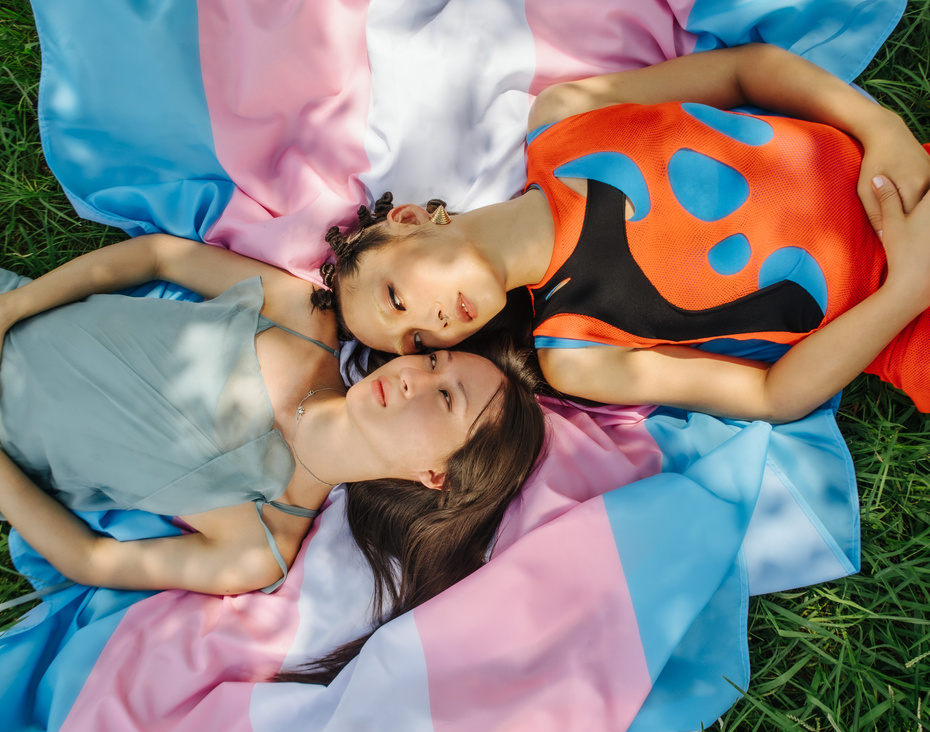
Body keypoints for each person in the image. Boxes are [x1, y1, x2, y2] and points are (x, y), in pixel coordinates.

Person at [316, 43, 930, 423]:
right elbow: (774, 396)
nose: (431, 326)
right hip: (907, 323)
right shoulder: (575, 356)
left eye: (397, 298)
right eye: (416, 340)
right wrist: (907, 287)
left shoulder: (563, 119)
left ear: (408, 221)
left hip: (905, 172)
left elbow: (746, 72)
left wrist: (881, 130)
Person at [0, 235, 546, 607]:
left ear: (437, 475)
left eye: (447, 400)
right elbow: (161, 257)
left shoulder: (259, 545)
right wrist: (16, 307)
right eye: (431, 360)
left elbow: (91, 560)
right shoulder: (305, 318)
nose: (413, 378)